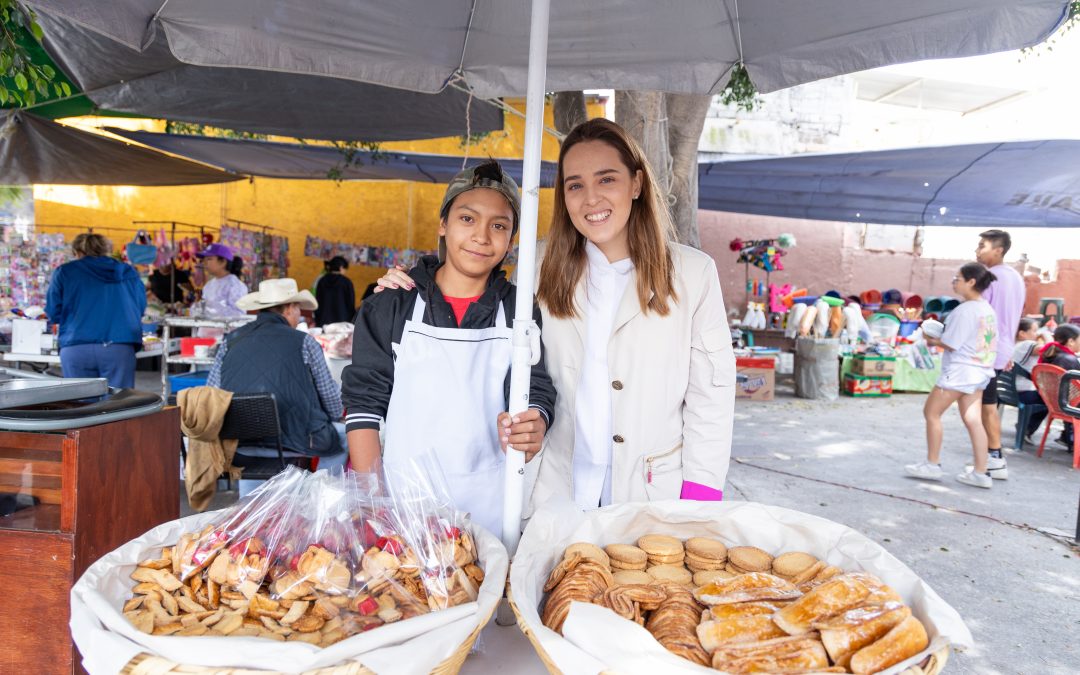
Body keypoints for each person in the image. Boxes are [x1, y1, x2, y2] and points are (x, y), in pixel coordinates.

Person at [375, 118, 735, 512]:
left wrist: (700, 502)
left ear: (636, 183)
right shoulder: (538, 264)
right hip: (552, 490)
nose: (591, 199)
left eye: (607, 179)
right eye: (575, 184)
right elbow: (480, 302)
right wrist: (413, 282)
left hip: (653, 494)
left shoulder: (693, 274)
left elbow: (711, 396)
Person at [341, 160, 557, 540]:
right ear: (443, 224)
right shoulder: (392, 304)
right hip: (402, 506)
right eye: (468, 219)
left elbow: (534, 387)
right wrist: (374, 506)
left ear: (511, 239)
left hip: (490, 508)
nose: (482, 237)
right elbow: (363, 406)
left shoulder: (520, 310)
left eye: (499, 226)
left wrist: (534, 422)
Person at [207, 278, 348, 481]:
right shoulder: (305, 342)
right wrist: (335, 416)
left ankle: (250, 502)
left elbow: (213, 393)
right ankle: (321, 494)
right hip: (296, 441)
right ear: (289, 309)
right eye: (299, 309)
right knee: (345, 436)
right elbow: (331, 401)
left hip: (239, 444)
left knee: (251, 470)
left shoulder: (230, 341)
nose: (300, 315)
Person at [906, 263, 998, 489]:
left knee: (931, 412)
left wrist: (930, 338)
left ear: (971, 282)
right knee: (973, 420)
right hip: (980, 371)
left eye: (957, 278)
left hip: (959, 371)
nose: (954, 282)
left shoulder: (965, 310)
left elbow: (951, 343)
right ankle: (980, 472)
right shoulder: (986, 309)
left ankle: (932, 464)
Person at [45, 233, 146, 388]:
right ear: (107, 250)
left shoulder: (65, 272)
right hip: (119, 346)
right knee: (119, 406)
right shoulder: (128, 272)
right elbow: (140, 306)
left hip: (76, 345)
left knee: (79, 408)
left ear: (76, 252)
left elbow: (53, 312)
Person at [974, 229, 1025, 480]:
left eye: (982, 245)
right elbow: (1012, 317)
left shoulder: (988, 277)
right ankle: (990, 458)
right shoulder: (1015, 277)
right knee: (986, 405)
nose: (977, 250)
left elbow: (981, 316)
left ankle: (993, 458)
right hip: (1001, 348)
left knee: (985, 407)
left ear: (999, 250)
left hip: (986, 350)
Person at [1035, 323, 1080, 447]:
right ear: (1071, 341)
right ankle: (1070, 437)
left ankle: (1067, 436)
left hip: (1053, 401)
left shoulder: (1050, 354)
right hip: (1069, 404)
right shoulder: (1069, 360)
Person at [1010, 318, 1043, 441]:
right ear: (1022, 333)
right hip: (1024, 393)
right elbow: (1049, 350)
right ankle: (1026, 428)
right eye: (1034, 331)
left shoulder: (1012, 344)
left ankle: (1025, 426)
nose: (1036, 334)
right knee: (1054, 400)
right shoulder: (1026, 344)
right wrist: (1046, 336)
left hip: (1009, 391)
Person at [196, 243, 248, 319]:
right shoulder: (208, 285)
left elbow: (239, 315)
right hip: (206, 329)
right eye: (204, 260)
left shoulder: (235, 285)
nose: (205, 263)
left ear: (223, 262)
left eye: (209, 259)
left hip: (227, 330)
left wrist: (213, 308)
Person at [314, 256, 356, 326]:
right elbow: (350, 304)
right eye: (345, 269)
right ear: (341, 267)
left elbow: (318, 301)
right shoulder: (346, 282)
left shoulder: (322, 280)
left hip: (323, 321)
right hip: (342, 323)